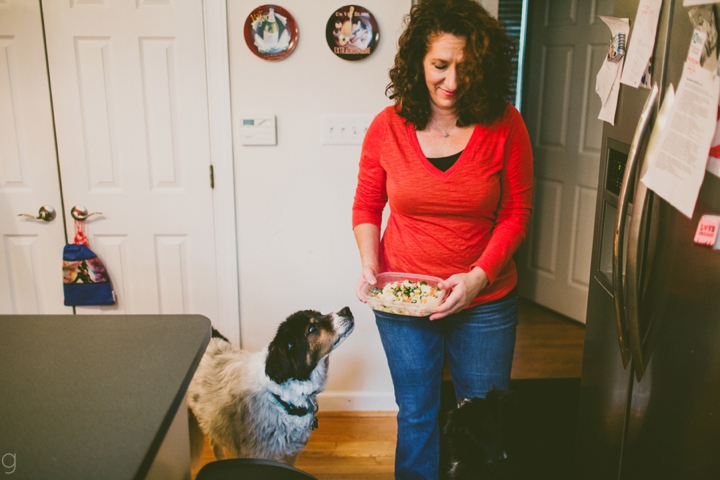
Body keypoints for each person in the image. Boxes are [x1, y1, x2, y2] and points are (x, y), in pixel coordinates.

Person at [351, 0, 533, 478]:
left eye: (465, 67)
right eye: (440, 65)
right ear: (418, 62)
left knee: (482, 421)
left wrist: (477, 278)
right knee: (417, 415)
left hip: (486, 300)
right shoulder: (387, 126)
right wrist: (371, 264)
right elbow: (368, 205)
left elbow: (516, 214)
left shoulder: (506, 124)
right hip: (404, 301)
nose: (452, 81)